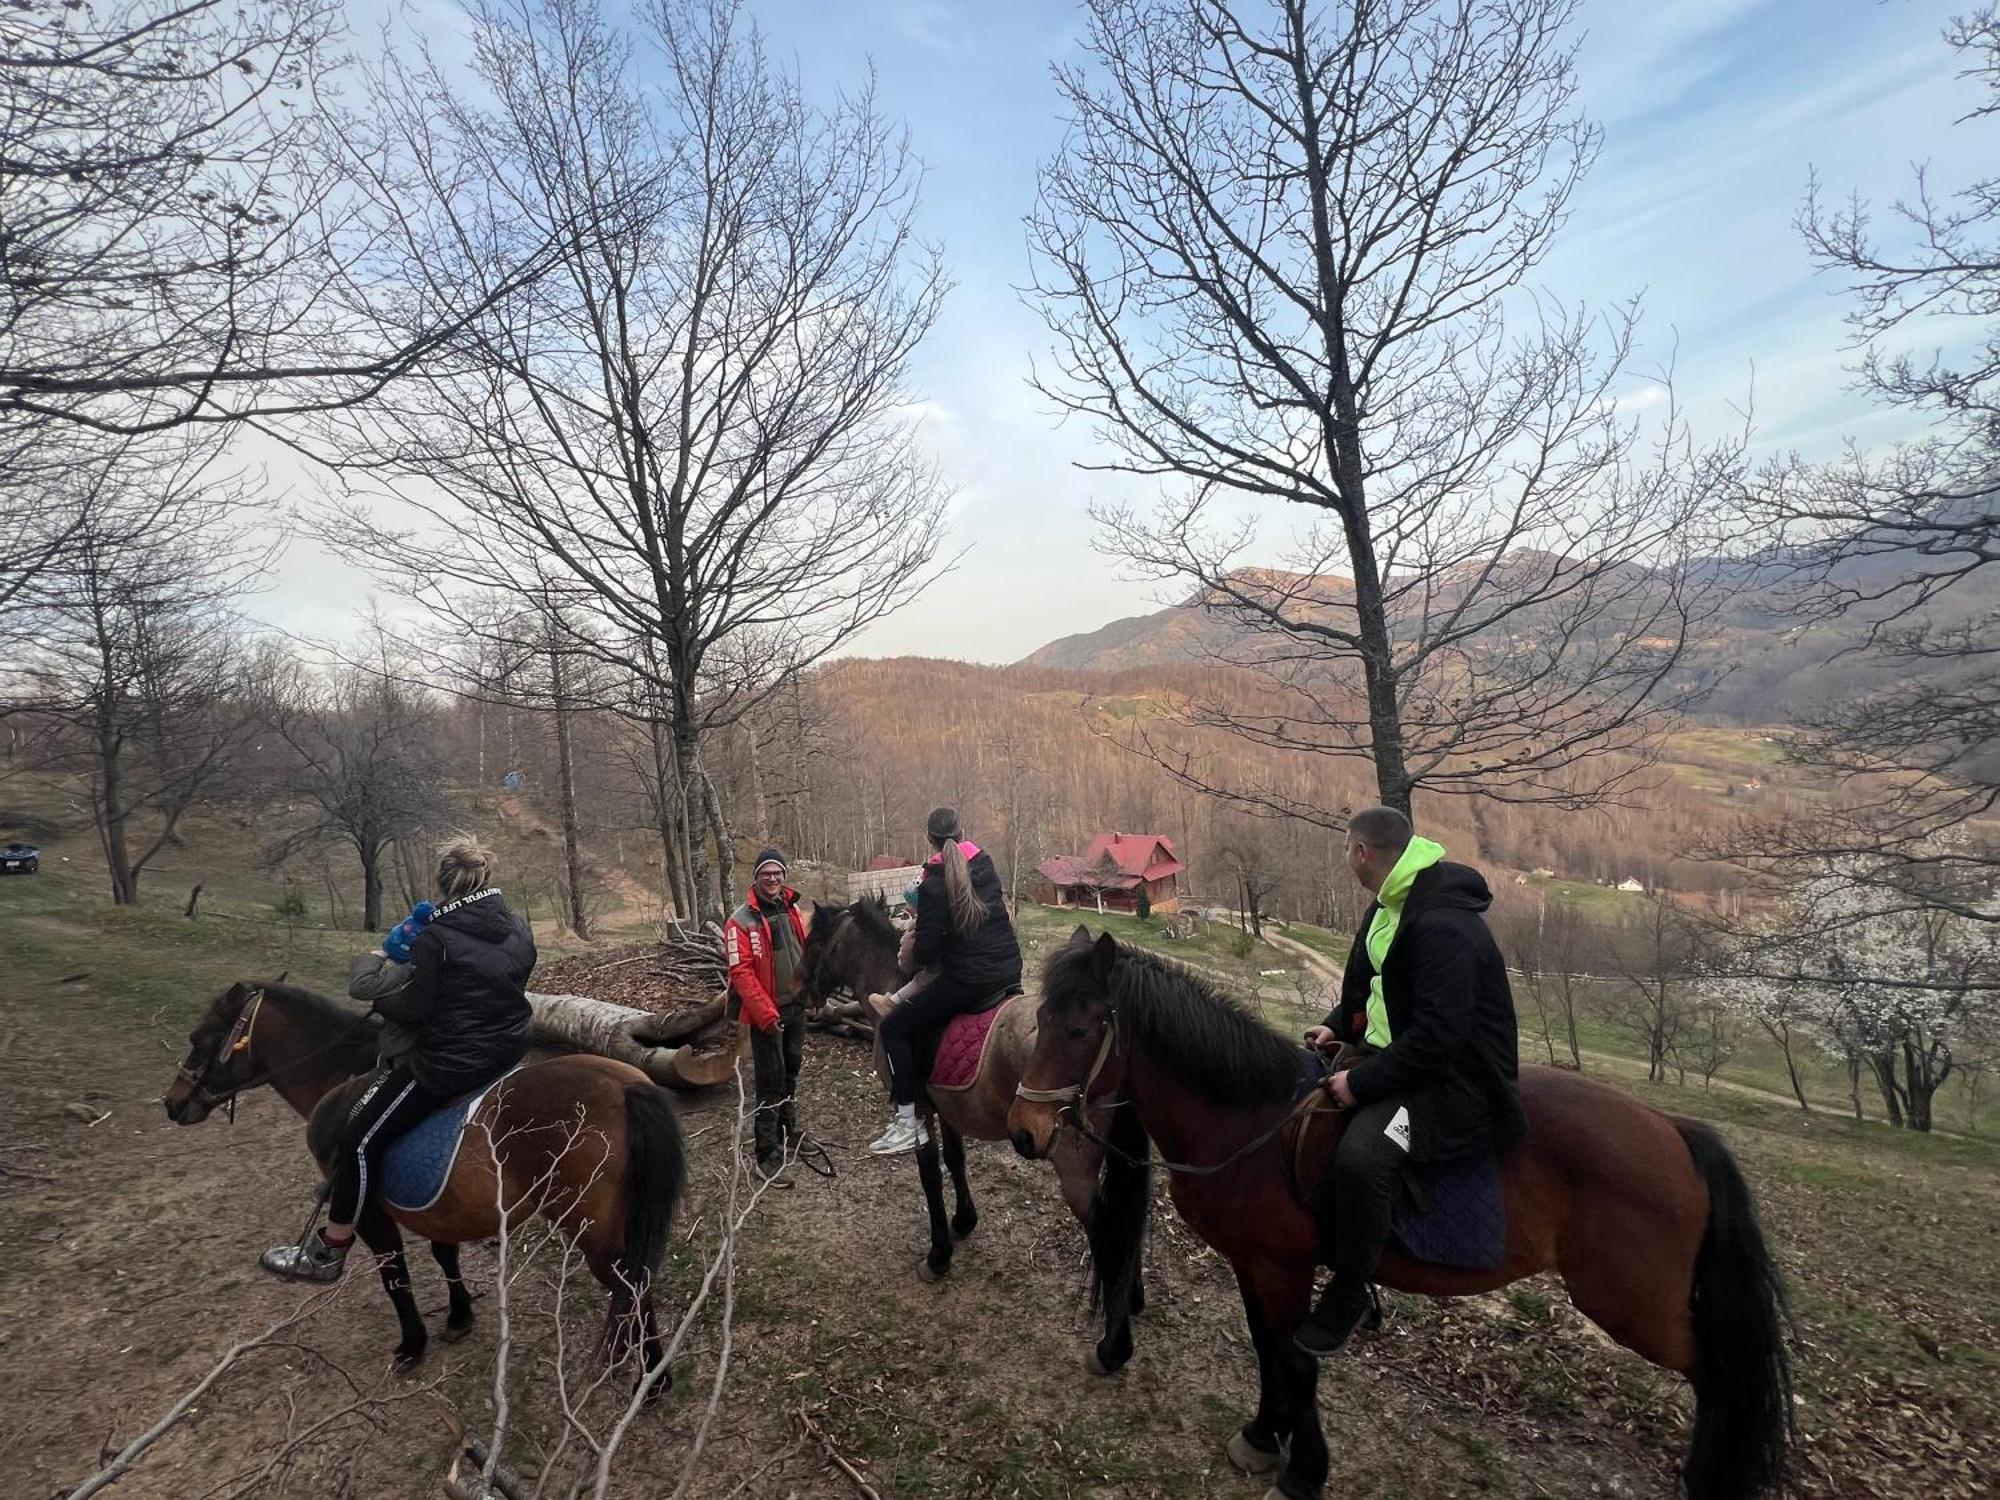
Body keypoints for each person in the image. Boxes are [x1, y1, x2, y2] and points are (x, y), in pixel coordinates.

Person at [1293, 805, 1526, 1357]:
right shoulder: (1391, 906)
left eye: (1346, 851)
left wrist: (1361, 1084)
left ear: (1361, 852)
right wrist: (1333, 1027)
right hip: (1394, 1056)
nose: (1346, 860)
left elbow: (1440, 1037)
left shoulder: (1443, 924)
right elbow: (1375, 986)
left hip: (1452, 1080)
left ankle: (1351, 1293)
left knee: (1362, 1158)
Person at [260, 839, 536, 1281]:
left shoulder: (436, 939)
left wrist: (383, 995)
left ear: (441, 883)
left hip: (450, 1062)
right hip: (509, 1046)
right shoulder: (519, 926)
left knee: (358, 1140)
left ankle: (328, 1252)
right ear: (486, 879)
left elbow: (416, 1010)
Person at [866, 807, 1022, 1156]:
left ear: (929, 839)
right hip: (1010, 970)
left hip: (970, 980)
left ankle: (909, 1122)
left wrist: (912, 947)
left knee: (895, 1027)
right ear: (962, 832)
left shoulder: (933, 881)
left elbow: (927, 951)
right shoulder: (985, 863)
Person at [724, 848, 810, 1184]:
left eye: (777, 873)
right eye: (766, 873)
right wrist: (765, 1014)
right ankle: (766, 1153)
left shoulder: (792, 910)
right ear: (756, 878)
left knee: (791, 1068)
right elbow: (741, 973)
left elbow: (802, 956)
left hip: (795, 1007)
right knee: (769, 1080)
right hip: (767, 1014)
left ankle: (789, 1131)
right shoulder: (740, 921)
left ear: (783, 877)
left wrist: (809, 995)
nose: (772, 879)